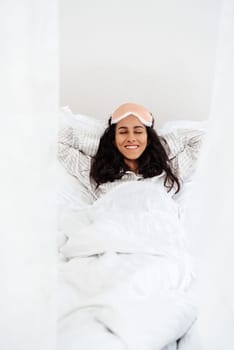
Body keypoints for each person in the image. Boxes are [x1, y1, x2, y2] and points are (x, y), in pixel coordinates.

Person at [58, 102, 204, 204]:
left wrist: (158, 147)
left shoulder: (170, 170)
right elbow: (57, 141)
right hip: (111, 238)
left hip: (157, 239)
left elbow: (202, 139)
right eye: (123, 132)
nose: (131, 138)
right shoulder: (95, 172)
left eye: (138, 131)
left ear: (149, 137)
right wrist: (104, 145)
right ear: (113, 138)